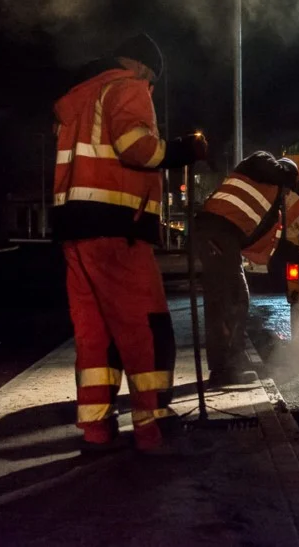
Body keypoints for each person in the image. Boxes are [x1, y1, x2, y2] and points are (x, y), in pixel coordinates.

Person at [53, 33, 210, 454]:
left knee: (95, 336)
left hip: (76, 231)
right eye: (152, 80)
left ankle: (97, 430)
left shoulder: (79, 100)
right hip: (117, 229)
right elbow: (134, 147)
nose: (152, 90)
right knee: (147, 326)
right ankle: (152, 425)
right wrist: (183, 150)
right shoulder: (126, 86)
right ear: (141, 66)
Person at [194, 151, 299, 388]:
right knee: (230, 301)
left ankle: (228, 367)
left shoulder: (270, 211)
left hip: (225, 239)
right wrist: (291, 179)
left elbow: (277, 249)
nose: (286, 194)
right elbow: (270, 167)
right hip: (215, 232)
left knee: (235, 299)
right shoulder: (260, 164)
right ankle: (225, 370)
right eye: (287, 188)